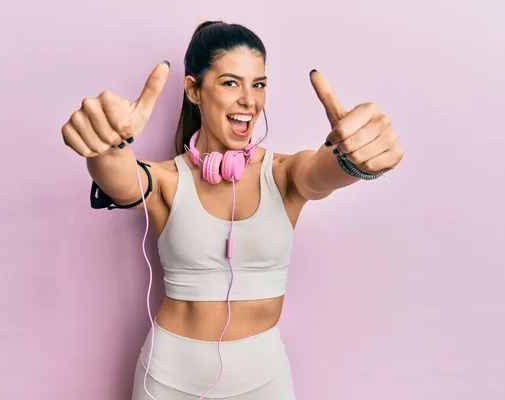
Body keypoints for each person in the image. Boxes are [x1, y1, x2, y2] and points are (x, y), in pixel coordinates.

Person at [61, 20, 403, 400]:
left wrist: (357, 158)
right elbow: (120, 179)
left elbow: (325, 171)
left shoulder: (285, 174)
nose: (249, 100)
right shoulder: (167, 180)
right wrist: (104, 146)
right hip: (169, 380)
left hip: (264, 380)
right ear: (194, 90)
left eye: (258, 84)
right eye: (230, 83)